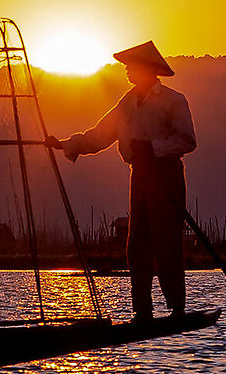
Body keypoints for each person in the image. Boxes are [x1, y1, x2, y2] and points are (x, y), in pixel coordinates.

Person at [49, 41, 196, 321]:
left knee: (167, 240)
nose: (127, 71)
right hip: (139, 175)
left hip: (165, 175)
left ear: (147, 69)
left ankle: (177, 307)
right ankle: (143, 310)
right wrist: (65, 144)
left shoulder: (173, 100)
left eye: (131, 66)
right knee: (137, 242)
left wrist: (152, 147)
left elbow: (187, 140)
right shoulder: (127, 103)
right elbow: (100, 134)